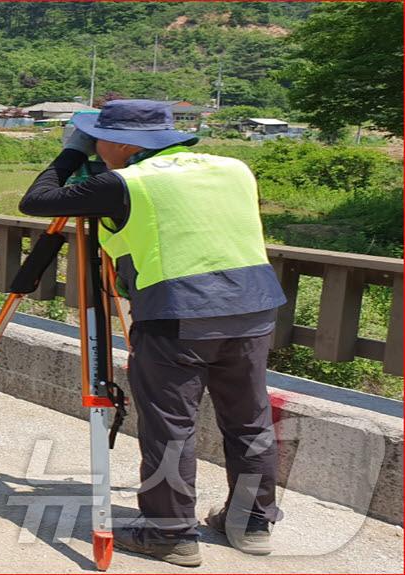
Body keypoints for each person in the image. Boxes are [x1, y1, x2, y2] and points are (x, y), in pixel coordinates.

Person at [18, 100, 286, 567]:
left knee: (172, 427)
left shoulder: (125, 182)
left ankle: (170, 535)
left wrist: (70, 154)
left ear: (125, 143)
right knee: (249, 418)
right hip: (254, 309)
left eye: (99, 137)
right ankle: (253, 524)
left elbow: (37, 200)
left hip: (179, 315)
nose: (96, 146)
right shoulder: (233, 168)